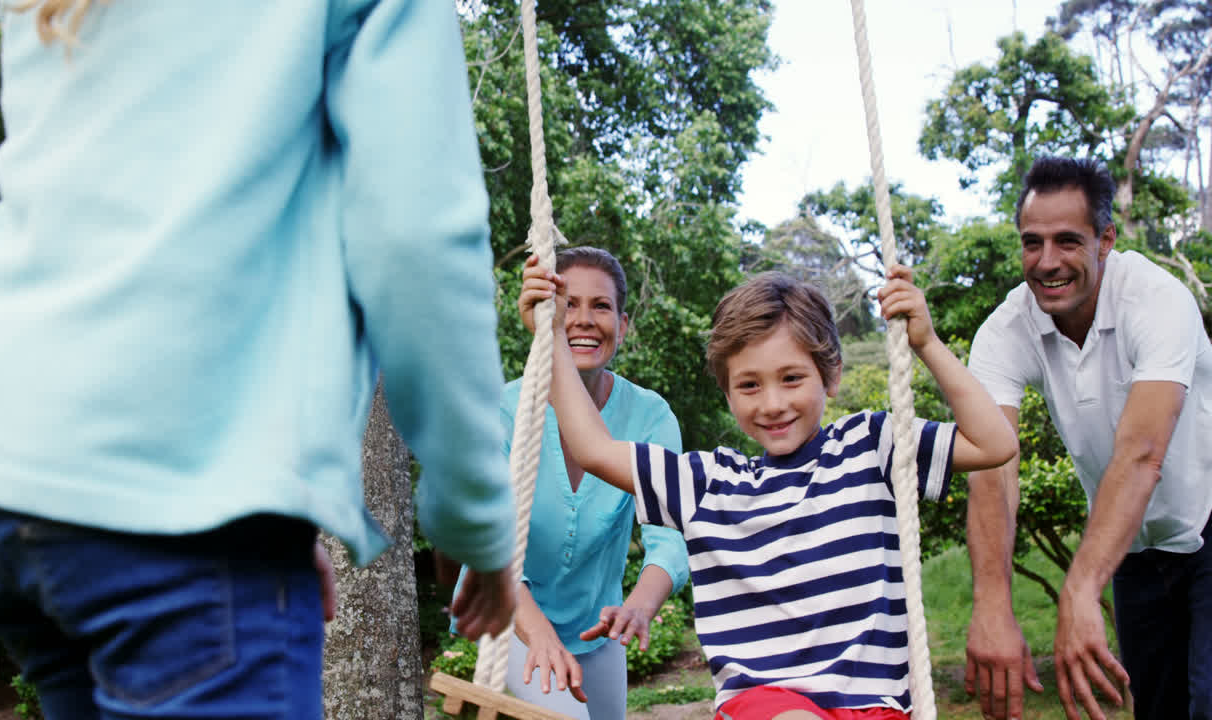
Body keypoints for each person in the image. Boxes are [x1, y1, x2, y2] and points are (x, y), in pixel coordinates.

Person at [0, 1, 518, 719]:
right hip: (170, 499)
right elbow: (416, 244)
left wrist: (247, 488)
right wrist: (475, 522)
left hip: (3, 465)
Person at [524, 258, 1017, 718]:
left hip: (876, 703)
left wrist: (926, 343)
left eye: (791, 378)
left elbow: (994, 443)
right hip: (765, 703)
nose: (773, 402)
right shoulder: (709, 485)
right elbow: (591, 447)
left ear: (831, 376)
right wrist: (550, 340)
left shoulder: (870, 447)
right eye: (750, 385)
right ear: (728, 393)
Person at [964, 156, 1212, 720]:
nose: (1047, 262)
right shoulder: (1007, 330)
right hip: (1135, 550)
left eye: (1067, 241)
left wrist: (1078, 591)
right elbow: (991, 464)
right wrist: (992, 604)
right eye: (1032, 242)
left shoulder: (1156, 300)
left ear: (1105, 240)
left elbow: (1142, 453)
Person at [451, 248, 689, 720]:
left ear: (622, 326)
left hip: (593, 634)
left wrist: (639, 606)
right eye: (568, 304)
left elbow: (670, 537)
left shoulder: (649, 417)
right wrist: (538, 635)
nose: (582, 320)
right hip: (512, 621)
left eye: (600, 306)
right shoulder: (502, 412)